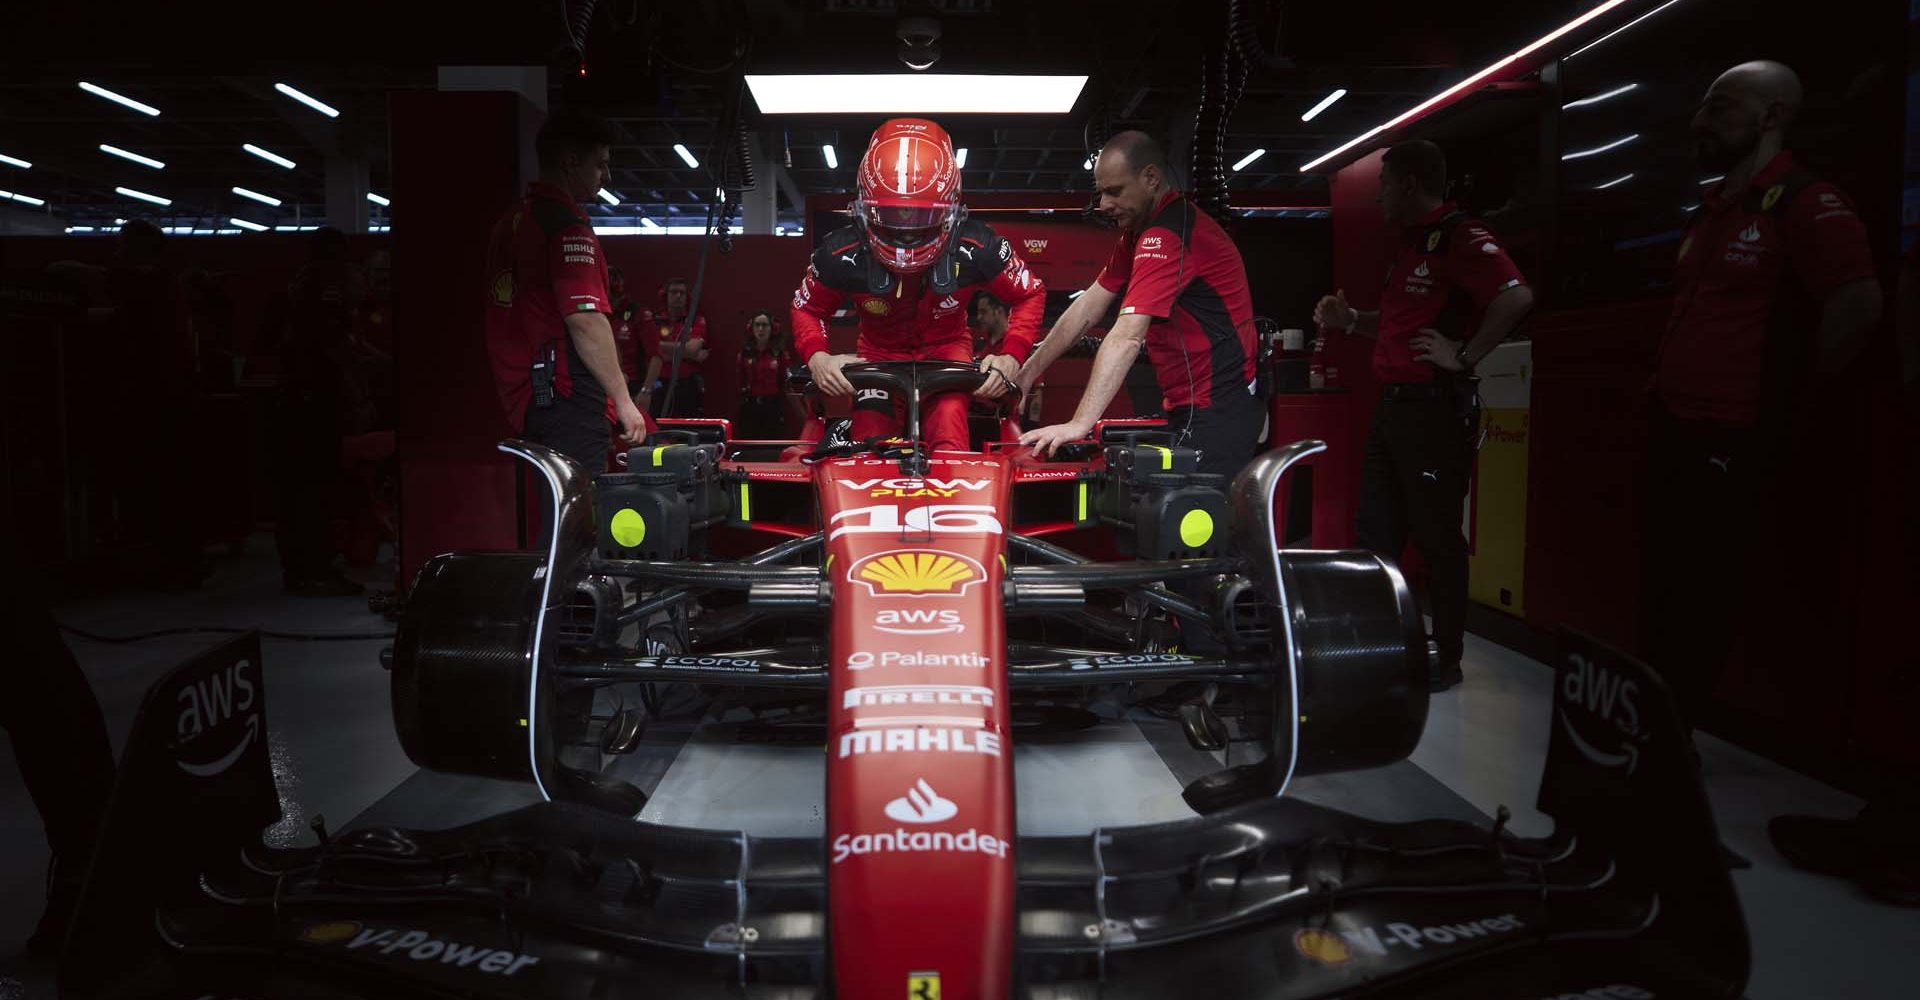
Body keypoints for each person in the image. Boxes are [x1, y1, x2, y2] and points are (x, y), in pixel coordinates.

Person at [1639, 60, 1880, 726]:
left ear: (1773, 116)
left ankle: (1675, 730)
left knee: (1705, 592)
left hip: (1735, 434)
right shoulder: (1710, 211)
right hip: (1674, 422)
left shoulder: (1807, 202)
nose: (1700, 121)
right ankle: (1652, 723)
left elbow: (1858, 301)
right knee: (1662, 584)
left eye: (1720, 107)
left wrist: (1791, 402)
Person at [1311, 140, 1535, 692]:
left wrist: (1464, 355)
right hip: (1393, 408)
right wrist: (1349, 319)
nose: (1379, 193)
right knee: (1376, 532)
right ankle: (1385, 645)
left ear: (1410, 183)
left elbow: (1516, 297)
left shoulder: (1460, 235)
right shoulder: (1410, 245)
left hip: (1433, 410)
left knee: (1437, 538)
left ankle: (1448, 657)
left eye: (1384, 183)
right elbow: (1390, 327)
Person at [790, 117, 1045, 453]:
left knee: (950, 435)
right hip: (877, 359)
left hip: (948, 353)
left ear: (951, 211)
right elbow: (806, 307)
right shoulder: (839, 252)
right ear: (864, 209)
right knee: (868, 442)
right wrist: (817, 357)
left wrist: (1012, 356)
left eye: (920, 218)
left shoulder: (978, 246)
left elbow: (1030, 293)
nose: (907, 231)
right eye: (893, 217)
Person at [1017, 132, 1262, 479]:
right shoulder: (1138, 235)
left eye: (1115, 191)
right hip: (1196, 405)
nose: (1103, 204)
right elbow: (1088, 307)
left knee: (1191, 524)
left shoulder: (1167, 235)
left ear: (1150, 179)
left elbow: (1127, 336)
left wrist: (1080, 423)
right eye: (1101, 191)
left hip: (1217, 408)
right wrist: (1028, 371)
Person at [483, 106, 647, 478]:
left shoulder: (509, 224)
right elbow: (585, 320)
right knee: (581, 518)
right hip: (569, 399)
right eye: (601, 164)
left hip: (527, 400)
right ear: (571, 162)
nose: (607, 175)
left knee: (558, 511)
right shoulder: (566, 228)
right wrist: (624, 402)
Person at [275, 227, 367, 596]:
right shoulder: (324, 289)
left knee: (300, 491)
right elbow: (336, 348)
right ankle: (315, 569)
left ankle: (301, 568)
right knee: (316, 490)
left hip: (299, 402)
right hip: (314, 405)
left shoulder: (299, 285)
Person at [641, 277, 710, 418]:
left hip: (686, 385)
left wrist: (659, 347)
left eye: (682, 293)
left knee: (687, 429)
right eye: (673, 292)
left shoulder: (696, 320)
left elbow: (692, 350)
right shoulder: (655, 321)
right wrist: (683, 352)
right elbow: (648, 350)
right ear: (665, 296)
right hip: (659, 384)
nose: (678, 296)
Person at [972, 291, 1043, 428]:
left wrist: (1031, 426)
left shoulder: (1022, 347)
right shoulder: (980, 345)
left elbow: (1037, 392)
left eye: (984, 312)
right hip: (978, 422)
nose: (979, 317)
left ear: (998, 312)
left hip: (1009, 424)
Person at [736, 312, 794, 438]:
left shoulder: (779, 353)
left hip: (772, 404)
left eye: (764, 325)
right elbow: (740, 379)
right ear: (751, 328)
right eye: (757, 325)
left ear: (772, 328)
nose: (760, 329)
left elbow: (786, 380)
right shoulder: (745, 353)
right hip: (750, 404)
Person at [606, 265, 645, 406]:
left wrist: (646, 390)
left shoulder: (635, 312)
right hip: (604, 383)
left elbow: (655, 353)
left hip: (630, 383)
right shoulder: (598, 313)